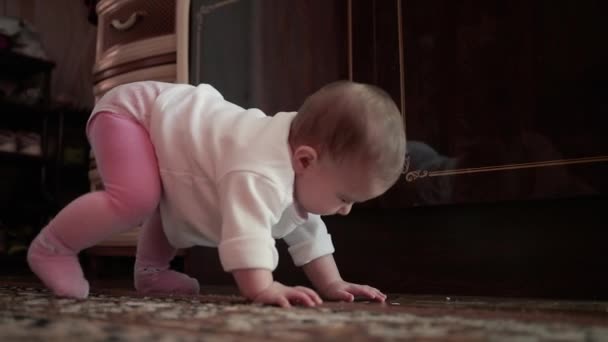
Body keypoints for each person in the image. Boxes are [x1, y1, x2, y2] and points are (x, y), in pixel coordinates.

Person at [27, 80, 406, 307]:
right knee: (137, 199)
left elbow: (304, 227)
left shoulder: (300, 160)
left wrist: (332, 283)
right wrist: (262, 286)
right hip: (132, 113)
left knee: (168, 196)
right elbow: (248, 231)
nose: (345, 211)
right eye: (344, 197)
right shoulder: (259, 170)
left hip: (171, 140)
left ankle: (151, 272)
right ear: (305, 161)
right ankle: (53, 248)